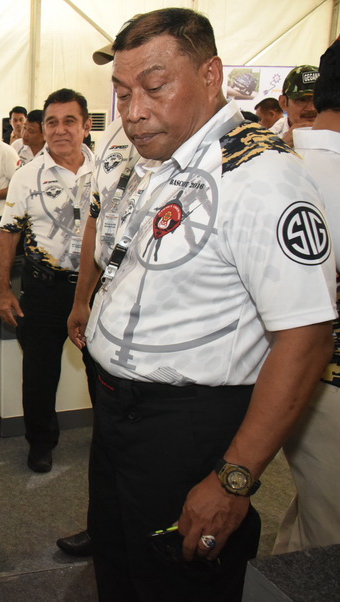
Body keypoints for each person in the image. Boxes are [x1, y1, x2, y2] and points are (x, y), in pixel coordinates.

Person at [69, 9, 335, 600]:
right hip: (121, 419)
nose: (133, 110)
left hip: (187, 427)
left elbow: (307, 338)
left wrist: (234, 480)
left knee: (177, 580)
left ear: (211, 74)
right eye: (121, 92)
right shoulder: (168, 165)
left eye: (155, 87)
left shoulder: (262, 178)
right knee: (121, 568)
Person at [0, 88, 95, 474]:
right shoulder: (26, 176)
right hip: (43, 288)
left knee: (102, 370)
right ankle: (41, 443)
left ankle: (109, 439)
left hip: (94, 290)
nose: (60, 130)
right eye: (52, 122)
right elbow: (8, 234)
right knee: (39, 373)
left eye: (69, 121)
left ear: (86, 126)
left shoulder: (107, 170)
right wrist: (4, 291)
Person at [272, 38, 340, 555]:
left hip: (295, 375)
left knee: (313, 518)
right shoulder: (302, 173)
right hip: (323, 380)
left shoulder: (277, 167)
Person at [279, 64, 320, 145]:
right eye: (302, 100)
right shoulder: (266, 138)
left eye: (317, 99)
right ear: (283, 103)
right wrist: (282, 147)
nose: (311, 108)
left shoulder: (335, 134)